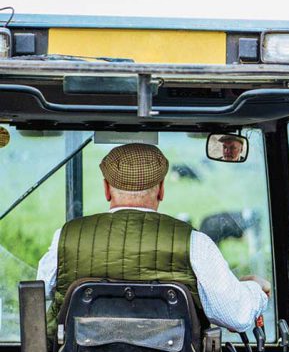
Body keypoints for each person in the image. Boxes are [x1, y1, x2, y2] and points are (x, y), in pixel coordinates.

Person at [37, 143, 270, 334]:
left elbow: (41, 292)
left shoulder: (66, 238)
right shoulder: (194, 243)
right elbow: (237, 316)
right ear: (161, 190)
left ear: (106, 189)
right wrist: (255, 290)